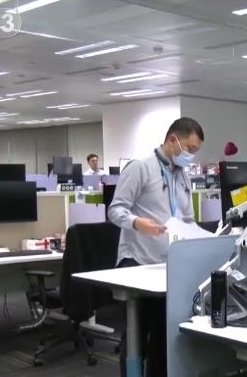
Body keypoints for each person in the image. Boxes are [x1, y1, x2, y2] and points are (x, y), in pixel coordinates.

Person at [107, 117, 203, 377]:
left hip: (167, 266)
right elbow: (115, 210)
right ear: (173, 140)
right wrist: (137, 223)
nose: (191, 156)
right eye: (190, 149)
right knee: (136, 336)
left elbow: (188, 219)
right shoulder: (140, 168)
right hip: (138, 262)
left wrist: (200, 238)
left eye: (195, 151)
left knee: (164, 334)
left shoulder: (183, 176)